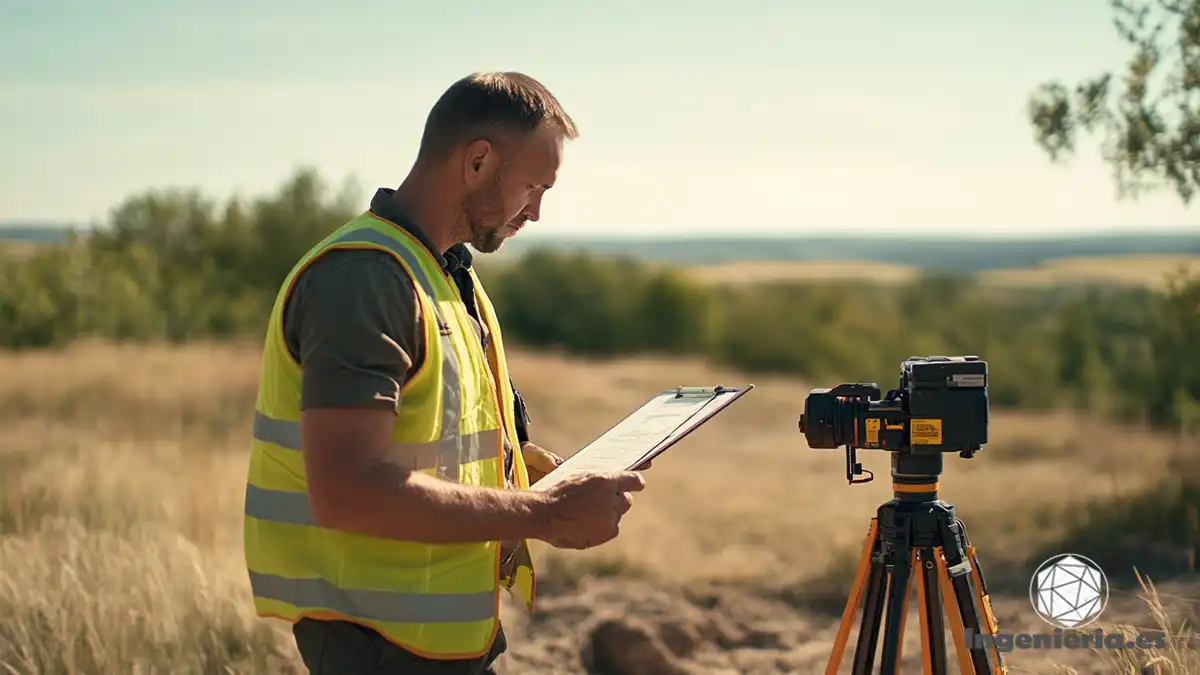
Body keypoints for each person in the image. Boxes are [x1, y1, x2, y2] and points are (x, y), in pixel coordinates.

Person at [242, 71, 648, 675]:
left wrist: (523, 465)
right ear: (479, 160)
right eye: (534, 186)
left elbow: (433, 439)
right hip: (375, 644)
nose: (536, 212)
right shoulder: (365, 278)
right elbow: (348, 489)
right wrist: (546, 514)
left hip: (435, 641)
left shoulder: (445, 272)